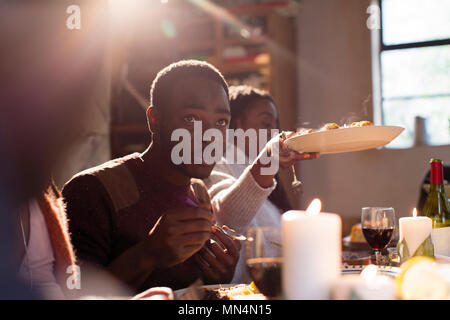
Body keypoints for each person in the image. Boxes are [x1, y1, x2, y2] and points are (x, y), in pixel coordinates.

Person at [62, 60, 241, 294]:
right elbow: (75, 295)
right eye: (191, 118)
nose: (210, 137)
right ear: (154, 120)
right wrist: (146, 255)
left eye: (220, 122)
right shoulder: (92, 190)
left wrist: (219, 275)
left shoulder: (198, 192)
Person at [204, 85, 319, 283]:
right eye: (266, 124)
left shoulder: (266, 177)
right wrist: (267, 160)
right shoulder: (214, 163)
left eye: (276, 126)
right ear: (238, 124)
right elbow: (228, 217)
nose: (275, 134)